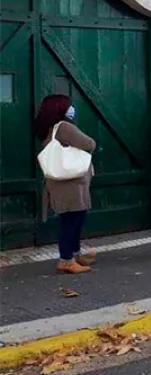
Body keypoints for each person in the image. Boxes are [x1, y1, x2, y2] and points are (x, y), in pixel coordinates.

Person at [35, 95, 97, 274]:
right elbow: (89, 144)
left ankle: (74, 254)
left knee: (72, 218)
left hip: (61, 183)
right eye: (69, 105)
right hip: (70, 184)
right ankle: (66, 260)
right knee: (72, 220)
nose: (72, 109)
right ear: (60, 108)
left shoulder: (48, 128)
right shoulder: (64, 127)